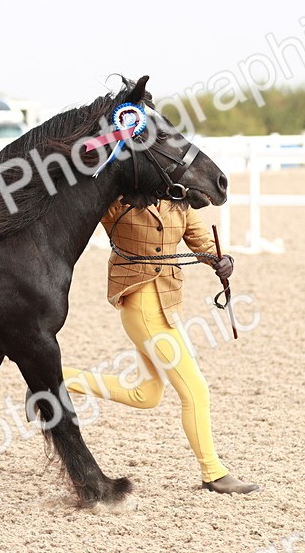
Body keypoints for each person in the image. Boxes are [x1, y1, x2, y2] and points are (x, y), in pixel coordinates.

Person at [63, 197, 261, 494]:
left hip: (167, 302)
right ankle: (213, 473)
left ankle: (55, 379)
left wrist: (221, 259)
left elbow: (201, 239)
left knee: (145, 395)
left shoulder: (178, 200)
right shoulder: (120, 199)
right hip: (140, 303)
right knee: (195, 389)